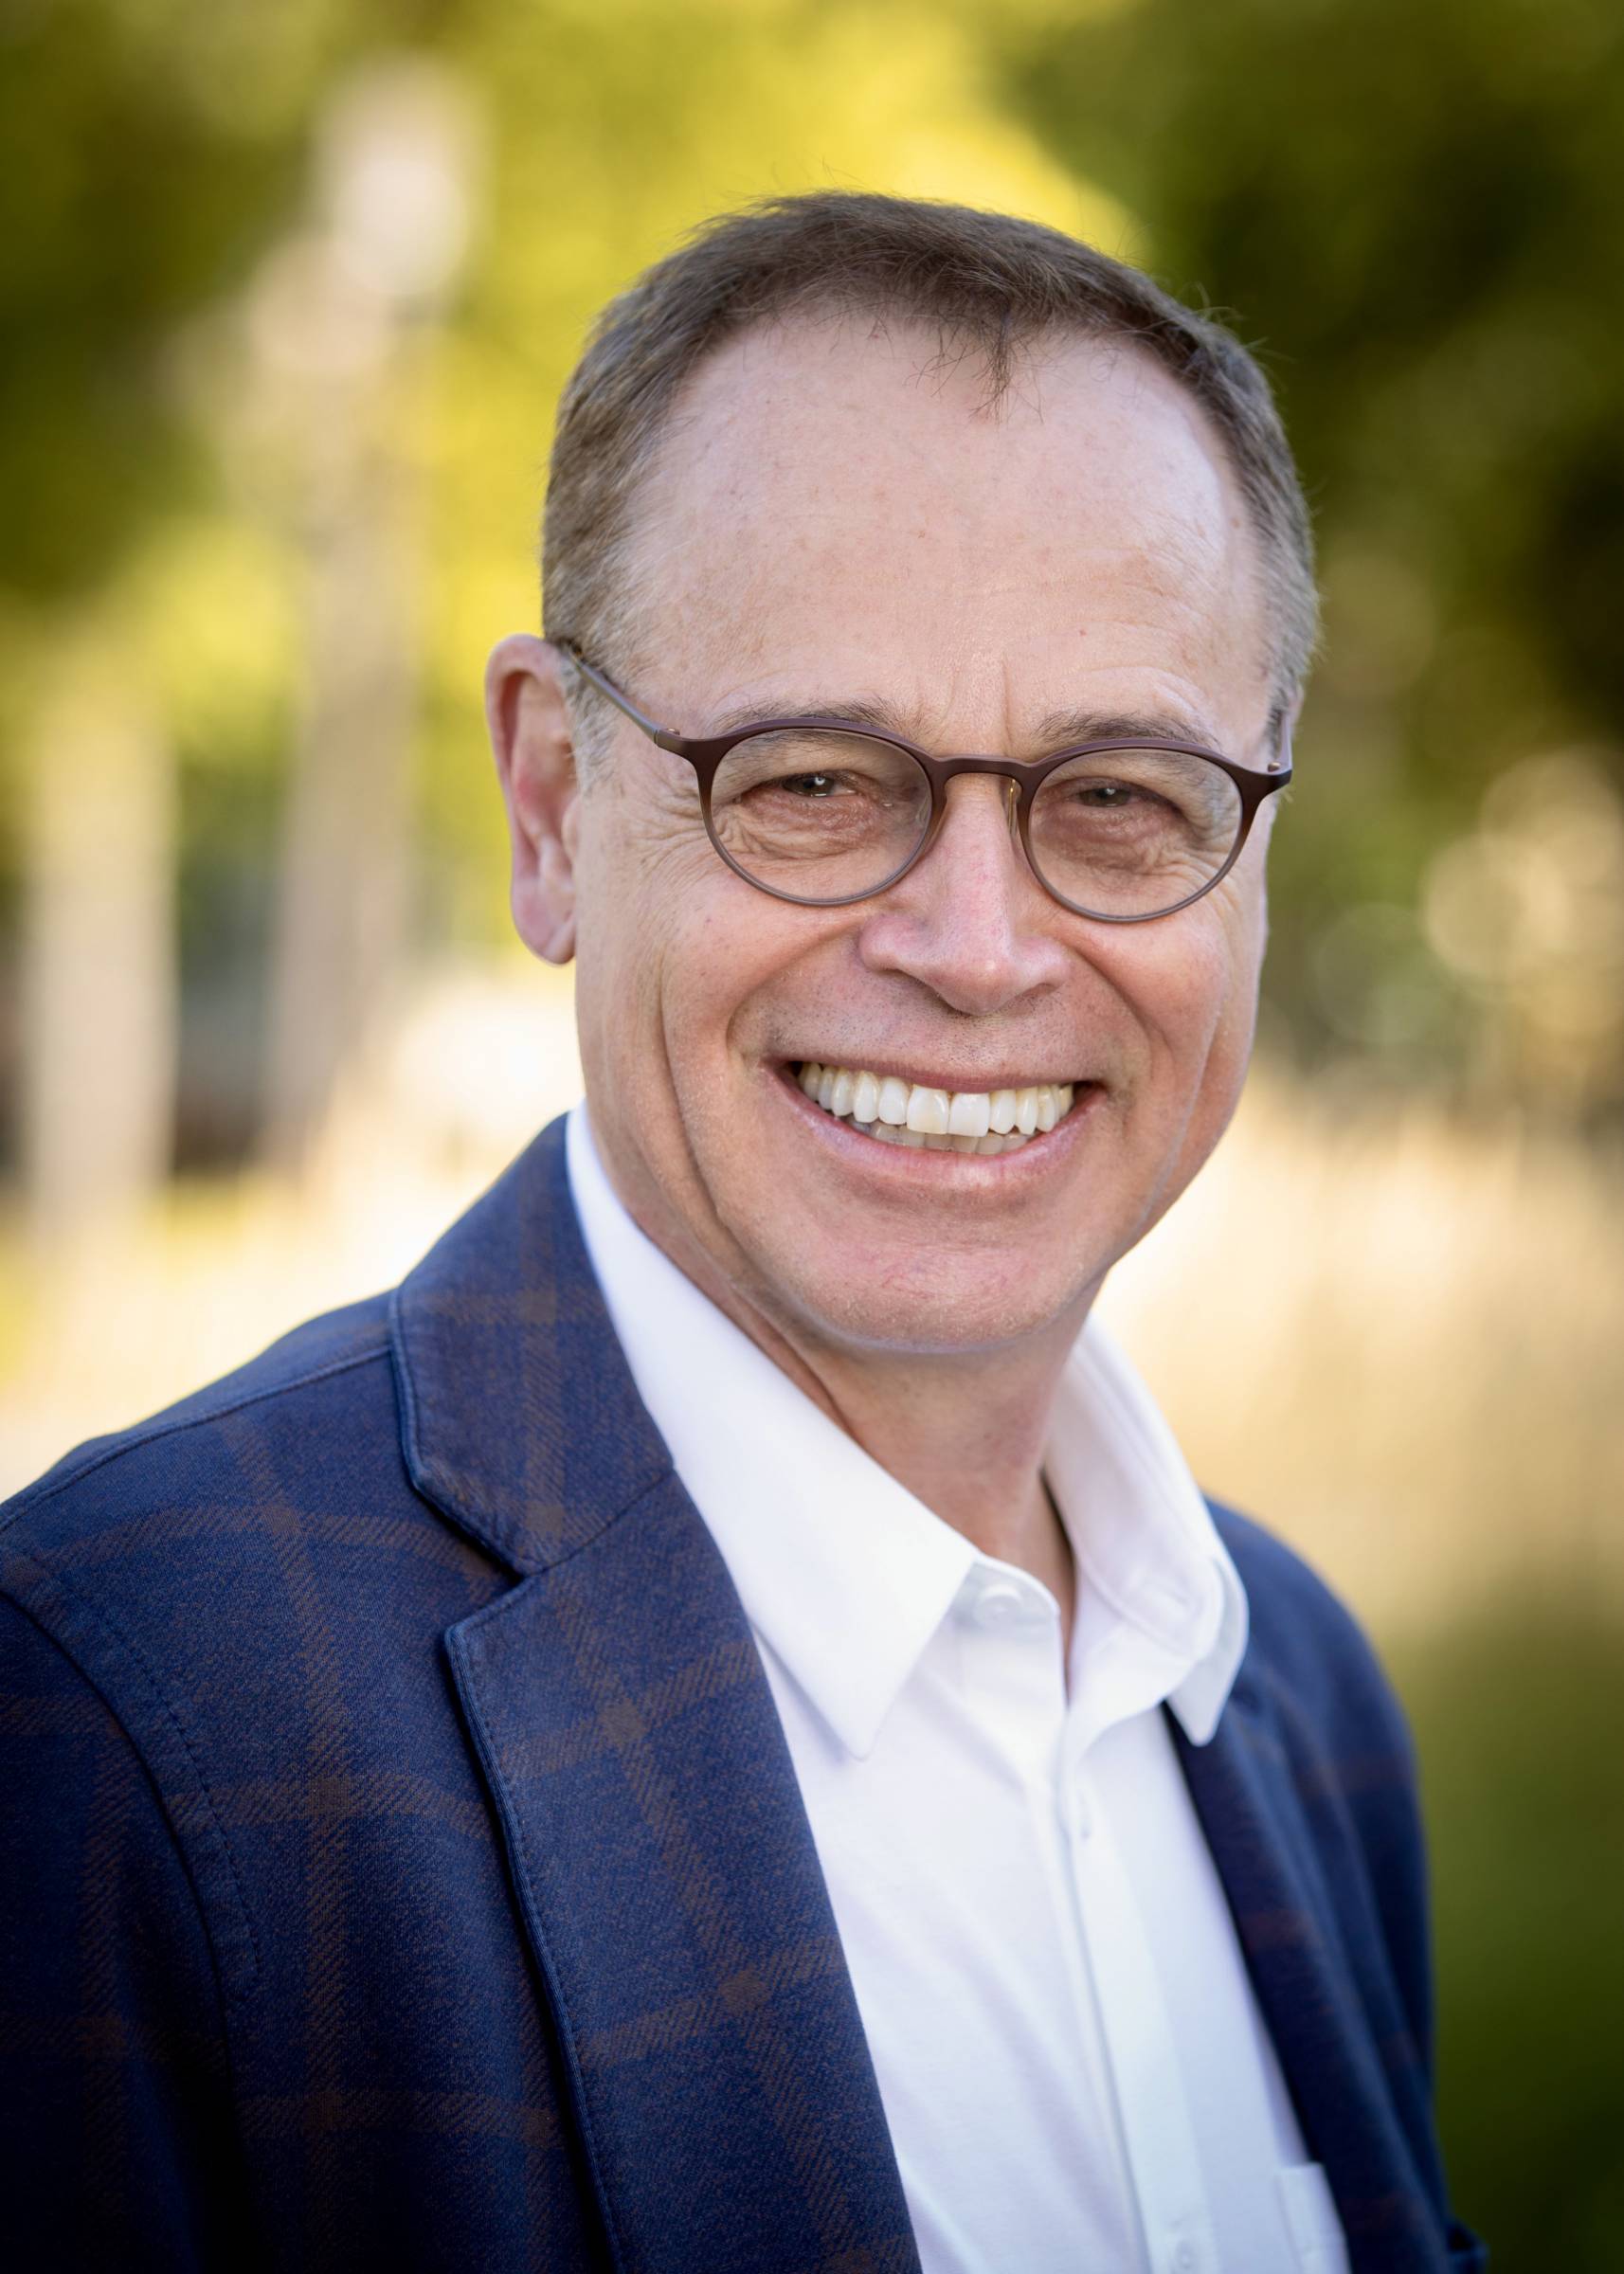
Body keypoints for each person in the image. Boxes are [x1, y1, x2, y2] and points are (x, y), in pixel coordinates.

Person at [0, 193, 1483, 2273]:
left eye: (1120, 798)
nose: (975, 952)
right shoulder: (120, 1723)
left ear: (1246, 864)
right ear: (545, 806)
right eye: (809, 781)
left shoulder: (1296, 1697)